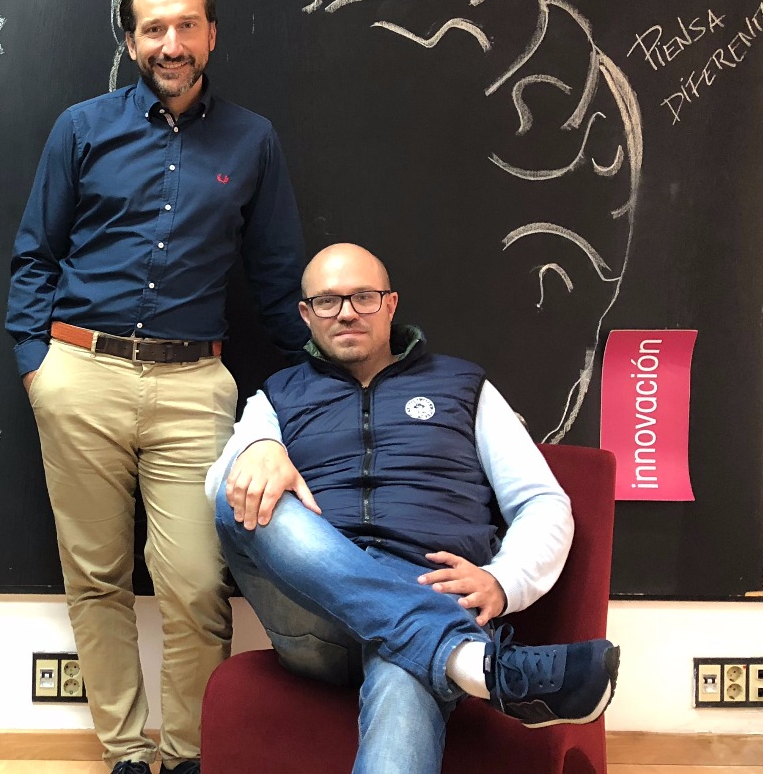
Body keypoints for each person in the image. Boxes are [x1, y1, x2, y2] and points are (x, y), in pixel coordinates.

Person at [7, 0, 308, 774]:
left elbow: (277, 279)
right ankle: (126, 753)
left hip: (194, 386)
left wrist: (318, 382)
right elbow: (35, 254)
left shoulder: (253, 139)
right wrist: (38, 367)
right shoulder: (81, 129)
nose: (171, 43)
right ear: (132, 40)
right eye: (153, 28)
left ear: (211, 34)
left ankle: (186, 756)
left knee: (198, 583)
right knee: (96, 577)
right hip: (81, 374)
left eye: (186, 26)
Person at [208, 242, 620, 773]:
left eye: (363, 296)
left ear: (391, 304)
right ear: (306, 315)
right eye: (328, 301)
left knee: (407, 665)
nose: (347, 312)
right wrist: (258, 447)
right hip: (315, 623)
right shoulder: (277, 396)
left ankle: (446, 652)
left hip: (433, 585)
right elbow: (222, 490)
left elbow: (541, 500)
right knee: (239, 495)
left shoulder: (464, 386)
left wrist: (505, 581)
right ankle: (470, 659)